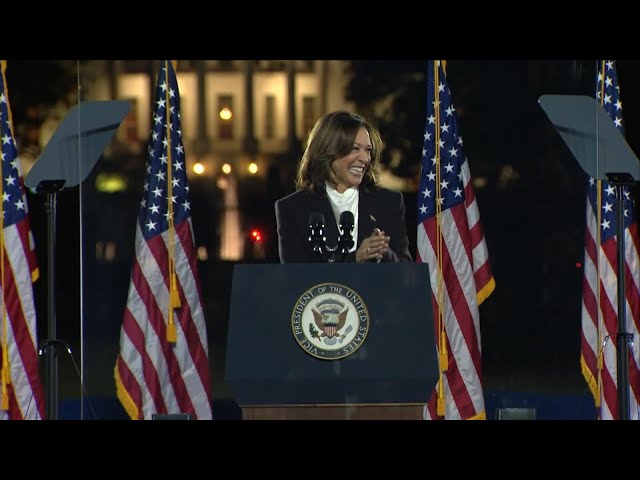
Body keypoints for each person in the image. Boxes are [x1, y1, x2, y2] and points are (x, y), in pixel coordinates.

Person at [275, 110, 412, 264]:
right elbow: (296, 277)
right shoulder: (293, 208)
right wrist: (355, 259)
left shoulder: (389, 202)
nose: (364, 158)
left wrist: (384, 252)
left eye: (368, 150)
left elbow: (406, 273)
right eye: (355, 149)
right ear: (328, 150)